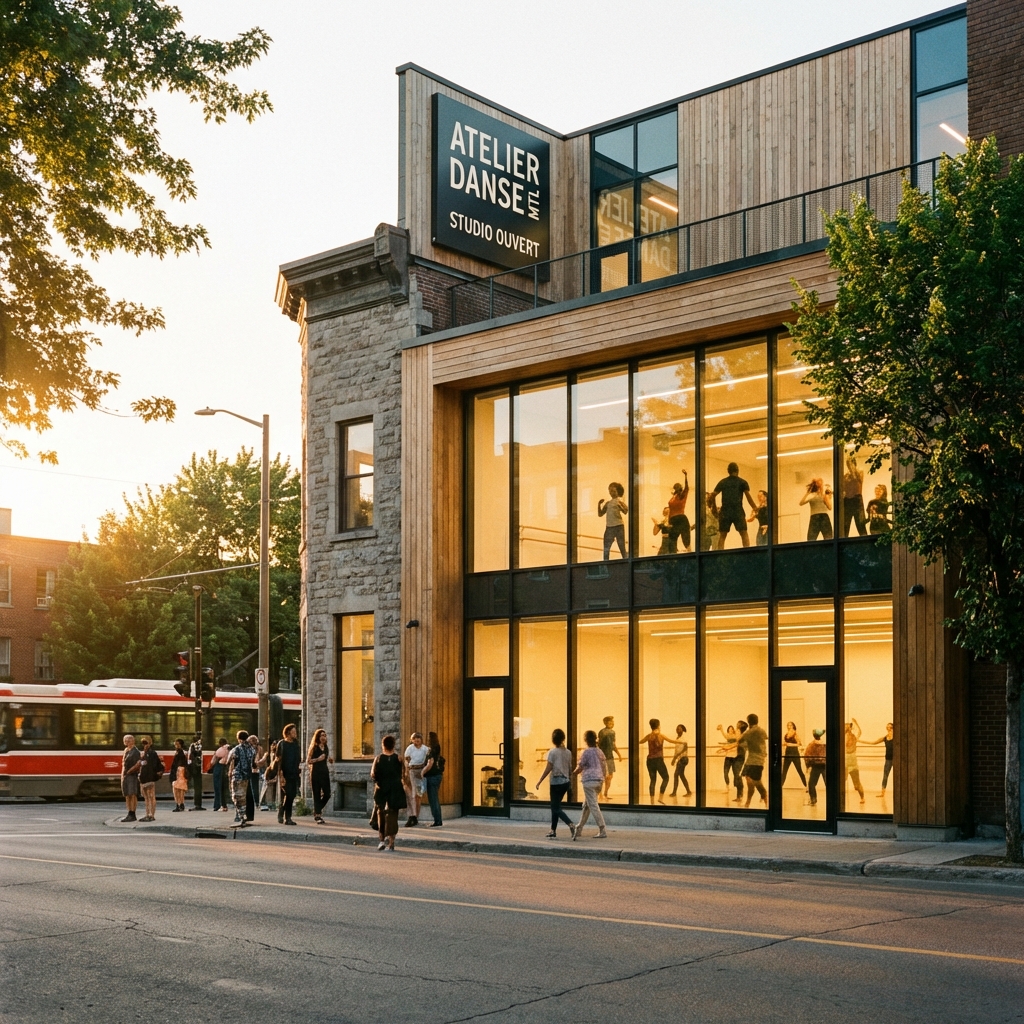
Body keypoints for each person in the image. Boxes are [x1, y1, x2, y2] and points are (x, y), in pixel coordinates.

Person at [535, 728, 575, 838]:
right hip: (565, 782)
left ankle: (570, 824)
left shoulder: (552, 752)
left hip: (556, 783)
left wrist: (540, 780)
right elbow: (570, 769)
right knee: (556, 806)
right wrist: (570, 783)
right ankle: (553, 830)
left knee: (555, 807)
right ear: (563, 739)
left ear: (553, 740)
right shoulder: (568, 752)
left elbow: (549, 768)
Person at [371, 734, 407, 851]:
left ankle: (381, 841)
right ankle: (391, 843)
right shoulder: (398, 758)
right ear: (393, 745)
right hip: (395, 789)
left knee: (380, 814)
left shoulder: (379, 758)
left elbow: (372, 774)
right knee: (393, 815)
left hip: (381, 788)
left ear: (383, 745)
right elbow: (404, 773)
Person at [571, 730, 608, 840]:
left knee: (593, 805)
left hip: (588, 781)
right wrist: (603, 778)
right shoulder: (600, 751)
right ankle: (579, 828)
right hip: (599, 780)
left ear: (586, 740)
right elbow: (604, 766)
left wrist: (572, 774)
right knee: (587, 805)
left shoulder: (586, 752)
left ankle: (602, 829)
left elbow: (580, 766)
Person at [712, 462, 757, 549]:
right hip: (737, 510)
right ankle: (747, 552)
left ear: (728, 471)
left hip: (725, 511)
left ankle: (720, 554)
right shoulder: (742, 482)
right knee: (743, 532)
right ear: (737, 470)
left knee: (722, 535)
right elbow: (748, 497)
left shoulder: (723, 482)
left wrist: (714, 507)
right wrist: (755, 507)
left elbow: (712, 495)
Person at [738, 713, 768, 808]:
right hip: (753, 759)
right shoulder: (761, 731)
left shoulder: (749, 732)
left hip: (756, 760)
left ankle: (766, 801)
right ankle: (748, 803)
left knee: (756, 782)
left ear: (749, 721)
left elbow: (740, 740)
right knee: (749, 780)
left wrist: (739, 731)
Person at [228, 729, 256, 825]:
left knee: (236, 796)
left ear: (239, 739)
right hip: (247, 776)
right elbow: (253, 763)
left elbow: (229, 760)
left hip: (237, 775)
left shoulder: (236, 749)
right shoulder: (252, 749)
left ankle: (241, 817)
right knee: (243, 796)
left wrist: (230, 771)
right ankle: (244, 816)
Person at [639, 719, 669, 803]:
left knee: (653, 780)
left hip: (650, 760)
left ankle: (652, 801)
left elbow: (640, 742)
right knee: (666, 778)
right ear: (658, 725)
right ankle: (660, 798)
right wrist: (682, 742)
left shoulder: (649, 736)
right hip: (658, 760)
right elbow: (671, 741)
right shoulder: (661, 735)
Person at [277, 723, 301, 825]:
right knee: (288, 794)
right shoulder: (282, 744)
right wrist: (281, 775)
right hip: (285, 774)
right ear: (288, 733)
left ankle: (282, 811)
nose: (295, 734)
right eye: (293, 732)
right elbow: (278, 761)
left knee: (291, 795)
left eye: (296, 732)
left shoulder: (296, 744)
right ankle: (287, 817)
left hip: (294, 773)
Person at [307, 728, 333, 823]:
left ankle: (317, 810)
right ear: (318, 737)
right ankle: (318, 815)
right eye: (322, 735)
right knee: (316, 794)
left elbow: (326, 758)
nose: (323, 737)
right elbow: (308, 761)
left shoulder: (325, 747)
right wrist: (318, 759)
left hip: (324, 772)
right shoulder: (314, 747)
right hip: (315, 772)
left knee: (327, 794)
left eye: (325, 735)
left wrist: (329, 760)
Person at [403, 731, 429, 826]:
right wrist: (407, 769)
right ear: (412, 740)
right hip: (412, 770)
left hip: (421, 770)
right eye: (415, 738)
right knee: (413, 794)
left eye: (418, 738)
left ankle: (416, 816)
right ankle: (413, 816)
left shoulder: (425, 749)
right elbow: (406, 759)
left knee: (419, 794)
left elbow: (428, 759)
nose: (417, 740)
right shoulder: (410, 748)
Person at [597, 482, 628, 560]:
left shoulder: (619, 501)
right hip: (609, 527)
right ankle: (606, 564)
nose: (612, 493)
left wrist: (621, 505)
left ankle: (626, 561)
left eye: (614, 491)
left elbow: (625, 511)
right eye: (610, 491)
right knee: (606, 548)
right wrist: (599, 504)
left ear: (618, 492)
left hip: (618, 526)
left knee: (621, 547)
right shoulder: (608, 503)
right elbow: (600, 514)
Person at [422, 731, 445, 827]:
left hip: (431, 776)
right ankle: (438, 819)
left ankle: (437, 820)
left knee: (433, 799)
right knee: (435, 798)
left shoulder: (431, 750)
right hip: (438, 775)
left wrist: (422, 772)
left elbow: (430, 763)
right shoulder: (437, 748)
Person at [841, 454, 868, 537]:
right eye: (847, 464)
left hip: (856, 500)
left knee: (860, 524)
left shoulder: (859, 472)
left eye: (850, 464)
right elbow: (843, 488)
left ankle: (865, 542)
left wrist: (853, 469)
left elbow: (857, 480)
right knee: (845, 525)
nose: (849, 466)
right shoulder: (845, 476)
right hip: (847, 501)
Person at [137, 736, 163, 821]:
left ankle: (151, 815)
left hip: (149, 777)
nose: (145, 745)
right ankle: (148, 814)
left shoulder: (152, 753)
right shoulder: (144, 753)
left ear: (150, 743)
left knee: (150, 796)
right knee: (147, 797)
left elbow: (155, 766)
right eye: (143, 743)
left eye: (146, 743)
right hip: (144, 777)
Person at [597, 716, 622, 800]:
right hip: (603, 757)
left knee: (609, 776)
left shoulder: (612, 732)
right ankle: (601, 794)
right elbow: (599, 744)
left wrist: (619, 754)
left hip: (609, 757)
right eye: (610, 722)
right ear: (606, 723)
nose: (612, 724)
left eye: (612, 722)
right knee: (603, 776)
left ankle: (605, 793)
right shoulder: (603, 732)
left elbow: (613, 745)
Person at [868, 722, 895, 796]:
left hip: (896, 759)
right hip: (888, 759)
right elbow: (874, 742)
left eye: (890, 727)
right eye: (888, 727)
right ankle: (882, 792)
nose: (889, 729)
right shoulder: (885, 738)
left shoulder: (897, 736)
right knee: (885, 775)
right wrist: (861, 741)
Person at [120, 734, 141, 822]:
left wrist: (128, 772)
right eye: (125, 740)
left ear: (133, 741)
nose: (127, 742)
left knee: (132, 794)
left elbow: (138, 764)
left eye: (129, 740)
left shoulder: (135, 751)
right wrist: (122, 775)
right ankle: (129, 813)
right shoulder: (126, 750)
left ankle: (133, 813)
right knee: (127, 795)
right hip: (125, 776)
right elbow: (123, 764)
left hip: (132, 775)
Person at [781, 721, 808, 789]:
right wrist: (784, 745)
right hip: (788, 753)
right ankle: (780, 786)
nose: (789, 727)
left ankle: (806, 786)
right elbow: (784, 743)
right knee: (784, 771)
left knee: (799, 770)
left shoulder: (795, 734)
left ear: (793, 726)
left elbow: (799, 744)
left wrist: (789, 744)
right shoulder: (786, 734)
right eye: (788, 725)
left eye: (790, 725)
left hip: (794, 753)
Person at [845, 719, 866, 804]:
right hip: (845, 762)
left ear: (850, 727)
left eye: (847, 725)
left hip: (853, 763)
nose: (846, 726)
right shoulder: (842, 736)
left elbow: (859, 732)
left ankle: (862, 797)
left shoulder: (853, 736)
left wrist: (856, 723)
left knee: (857, 785)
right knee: (840, 782)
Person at [667, 474, 690, 552]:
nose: (675, 489)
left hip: (681, 518)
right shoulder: (673, 497)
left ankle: (690, 555)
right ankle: (673, 555)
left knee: (686, 539)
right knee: (672, 540)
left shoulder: (682, 496)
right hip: (673, 519)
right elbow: (670, 510)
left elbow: (687, 488)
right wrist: (668, 522)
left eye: (677, 487)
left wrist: (686, 476)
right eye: (675, 488)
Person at [804, 729, 827, 806]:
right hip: (824, 766)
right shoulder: (825, 744)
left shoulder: (811, 745)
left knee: (811, 783)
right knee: (827, 783)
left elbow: (807, 756)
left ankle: (813, 799)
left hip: (816, 766)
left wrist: (808, 765)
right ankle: (832, 801)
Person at [670, 724, 691, 797]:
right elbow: (676, 750)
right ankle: (688, 791)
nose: (677, 730)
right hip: (680, 759)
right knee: (681, 775)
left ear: (683, 730)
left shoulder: (684, 738)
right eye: (677, 728)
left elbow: (685, 748)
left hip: (684, 758)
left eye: (679, 729)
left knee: (676, 774)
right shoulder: (677, 738)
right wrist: (674, 758)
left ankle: (674, 792)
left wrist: (676, 756)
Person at [186, 732, 205, 811]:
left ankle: (197, 804)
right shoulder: (202, 746)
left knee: (196, 787)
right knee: (198, 787)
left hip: (194, 768)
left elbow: (190, 758)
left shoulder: (193, 745)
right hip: (200, 768)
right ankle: (199, 804)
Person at [260, 740, 280, 813]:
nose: (272, 746)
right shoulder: (272, 754)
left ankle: (270, 803)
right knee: (268, 788)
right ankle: (268, 803)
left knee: (270, 789)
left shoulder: (274, 754)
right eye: (272, 744)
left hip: (272, 772)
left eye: (274, 744)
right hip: (271, 772)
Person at [211, 736, 230, 812]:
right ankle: (224, 805)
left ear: (220, 743)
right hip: (226, 768)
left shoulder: (220, 750)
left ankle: (217, 805)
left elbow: (213, 762)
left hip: (219, 768)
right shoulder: (230, 749)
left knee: (218, 787)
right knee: (224, 788)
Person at [170, 738, 189, 811]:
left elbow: (177, 764)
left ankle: (178, 804)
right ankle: (181, 804)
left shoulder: (179, 753)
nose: (176, 745)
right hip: (182, 772)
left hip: (179, 772)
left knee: (176, 789)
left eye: (177, 744)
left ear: (180, 745)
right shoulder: (183, 753)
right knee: (181, 789)